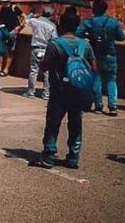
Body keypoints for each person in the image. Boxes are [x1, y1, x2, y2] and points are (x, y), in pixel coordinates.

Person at [34, 12, 95, 169]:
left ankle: (49, 156)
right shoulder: (85, 45)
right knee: (75, 124)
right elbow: (93, 67)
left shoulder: (55, 44)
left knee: (53, 124)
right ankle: (73, 157)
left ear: (61, 24)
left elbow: (45, 66)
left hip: (59, 90)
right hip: (78, 91)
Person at [75, 0, 125, 115]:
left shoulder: (90, 22)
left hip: (95, 55)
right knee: (111, 80)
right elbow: (121, 37)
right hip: (111, 54)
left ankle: (98, 106)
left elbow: (78, 33)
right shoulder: (113, 22)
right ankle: (113, 106)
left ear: (94, 9)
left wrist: (89, 36)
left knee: (96, 79)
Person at [24, 6, 57, 99]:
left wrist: (33, 14)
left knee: (34, 71)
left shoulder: (36, 21)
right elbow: (55, 39)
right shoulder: (52, 26)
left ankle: (31, 92)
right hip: (46, 49)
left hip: (36, 48)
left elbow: (26, 20)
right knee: (47, 72)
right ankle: (46, 93)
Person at [0, 0, 25, 77]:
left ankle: (6, 69)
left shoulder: (14, 8)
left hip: (12, 31)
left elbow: (23, 16)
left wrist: (19, 27)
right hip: (3, 30)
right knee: (0, 50)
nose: (5, 3)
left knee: (10, 51)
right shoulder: (0, 8)